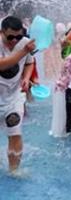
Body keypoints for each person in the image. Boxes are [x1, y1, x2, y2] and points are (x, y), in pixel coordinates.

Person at [0, 16, 36, 173]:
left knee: (15, 132)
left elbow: (29, 62)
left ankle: (14, 170)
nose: (15, 41)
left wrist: (27, 79)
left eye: (18, 36)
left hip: (14, 96)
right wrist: (24, 50)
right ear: (1, 32)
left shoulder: (23, 44)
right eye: (10, 37)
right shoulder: (23, 47)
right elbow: (3, 65)